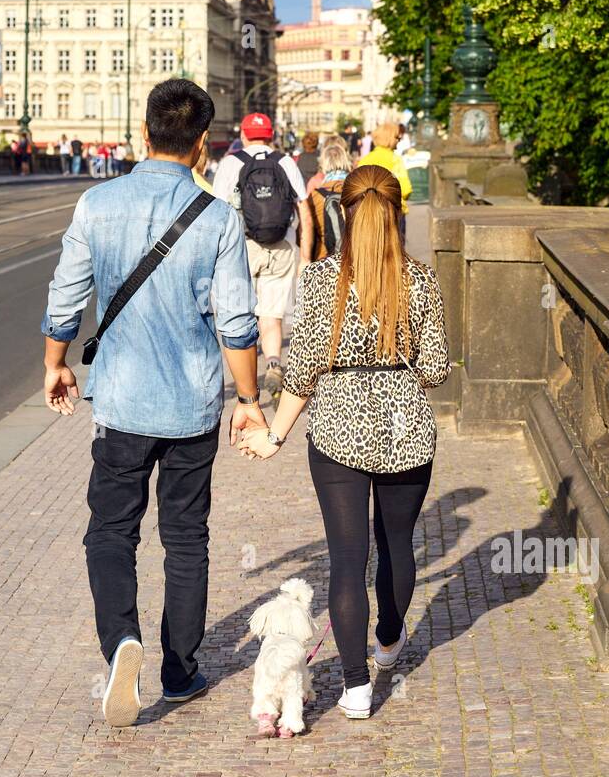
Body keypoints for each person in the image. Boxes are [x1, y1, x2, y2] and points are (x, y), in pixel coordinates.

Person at [41, 78, 264, 727]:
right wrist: (248, 400)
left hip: (121, 402)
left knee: (111, 530)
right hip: (191, 404)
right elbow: (238, 323)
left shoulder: (96, 203)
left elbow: (65, 297)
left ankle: (121, 642)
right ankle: (179, 670)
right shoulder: (218, 218)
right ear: (202, 144)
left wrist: (55, 363)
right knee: (186, 537)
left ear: (144, 133)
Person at [240, 164, 450, 721]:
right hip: (407, 429)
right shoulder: (421, 280)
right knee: (397, 544)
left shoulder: (320, 279)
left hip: (338, 428)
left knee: (347, 559)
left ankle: (356, 687)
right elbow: (435, 369)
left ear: (345, 213)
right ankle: (388, 638)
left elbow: (303, 370)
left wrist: (274, 435)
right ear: (396, 214)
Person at [212, 111, 312, 403]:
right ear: (271, 136)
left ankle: (245, 385)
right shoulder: (285, 162)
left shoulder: (231, 163)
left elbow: (217, 212)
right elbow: (304, 210)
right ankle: (273, 363)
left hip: (241, 248)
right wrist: (305, 256)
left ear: (243, 135)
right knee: (271, 317)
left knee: (239, 317)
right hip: (281, 246)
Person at [357, 122, 412, 244]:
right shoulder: (395, 160)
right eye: (397, 137)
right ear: (390, 138)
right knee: (395, 250)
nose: (398, 140)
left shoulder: (365, 160)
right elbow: (405, 190)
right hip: (394, 211)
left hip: (370, 212)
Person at [306, 136, 350, 259]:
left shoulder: (315, 195)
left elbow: (306, 231)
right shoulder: (358, 190)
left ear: (323, 164)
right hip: (355, 257)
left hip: (325, 258)